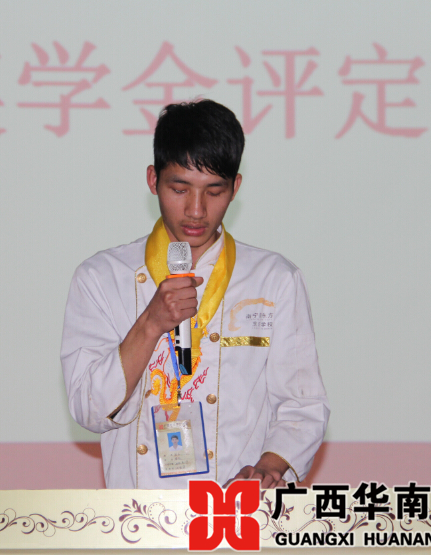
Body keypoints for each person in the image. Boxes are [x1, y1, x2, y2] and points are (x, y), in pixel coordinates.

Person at [61, 99, 329, 489]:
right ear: (153, 180)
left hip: (235, 510)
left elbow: (302, 406)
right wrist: (150, 323)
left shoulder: (274, 279)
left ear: (235, 188)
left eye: (214, 191)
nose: (197, 210)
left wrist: (270, 465)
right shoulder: (101, 277)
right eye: (179, 189)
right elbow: (90, 408)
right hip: (135, 515)